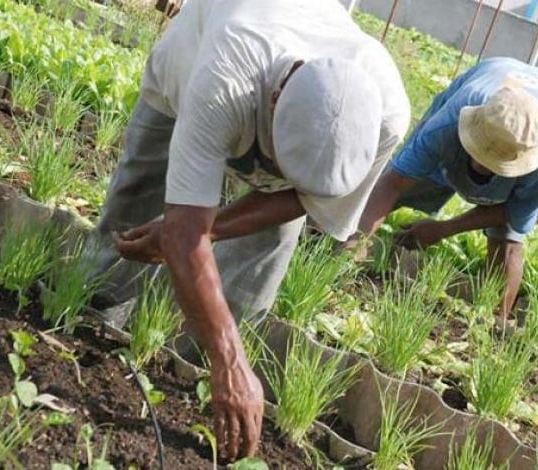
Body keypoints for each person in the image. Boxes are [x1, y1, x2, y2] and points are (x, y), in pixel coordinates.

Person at [87, 0, 409, 460]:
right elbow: (184, 230)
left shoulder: (386, 116)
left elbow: (301, 198)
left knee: (255, 272)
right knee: (133, 214)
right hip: (186, 74)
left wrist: (206, 231)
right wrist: (232, 360)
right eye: (280, 159)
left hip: (280, 136)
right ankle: (89, 323)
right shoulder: (226, 76)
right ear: (275, 100)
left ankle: (192, 380)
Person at [348, 57, 538, 323]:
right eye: (480, 154)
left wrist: (444, 228)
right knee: (403, 185)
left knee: (508, 242)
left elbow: (514, 214)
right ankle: (338, 236)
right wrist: (354, 247)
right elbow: (394, 182)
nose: (483, 166)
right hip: (491, 73)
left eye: (496, 165)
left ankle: (493, 328)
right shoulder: (451, 119)